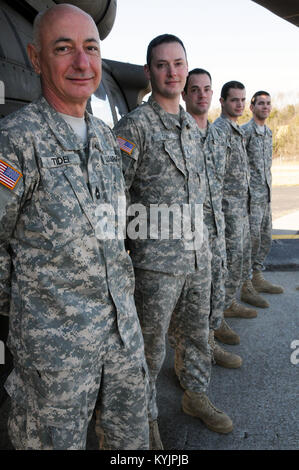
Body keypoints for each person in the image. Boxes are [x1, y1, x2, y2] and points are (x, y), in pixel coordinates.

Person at [0, 4, 149, 450]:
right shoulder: (16, 141)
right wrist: (33, 305)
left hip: (122, 339)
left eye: (91, 48)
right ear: (35, 57)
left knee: (131, 446)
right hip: (55, 358)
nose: (82, 63)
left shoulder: (106, 139)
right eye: (63, 49)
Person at [114, 34, 233, 445]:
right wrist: (131, 255)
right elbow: (115, 200)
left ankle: (195, 396)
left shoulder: (191, 126)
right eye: (162, 65)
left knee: (197, 337)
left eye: (179, 63)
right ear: (149, 72)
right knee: (149, 351)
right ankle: (144, 422)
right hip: (156, 267)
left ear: (186, 67)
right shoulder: (134, 127)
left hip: (197, 259)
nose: (172, 72)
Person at [182, 69, 242, 366]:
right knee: (192, 303)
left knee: (214, 292)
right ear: (185, 94)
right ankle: (192, 356)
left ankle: (208, 341)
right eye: (195, 89)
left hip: (216, 231)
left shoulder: (218, 136)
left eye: (207, 89)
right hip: (189, 238)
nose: (202, 95)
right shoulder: (179, 133)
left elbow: (223, 184)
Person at [213, 81, 264, 319]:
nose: (240, 104)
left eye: (243, 100)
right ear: (222, 102)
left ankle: (231, 302)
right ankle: (219, 314)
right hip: (227, 211)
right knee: (229, 263)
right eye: (235, 100)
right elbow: (216, 176)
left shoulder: (237, 131)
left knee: (241, 259)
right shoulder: (220, 131)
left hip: (241, 208)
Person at [241, 91, 283, 295]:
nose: (265, 107)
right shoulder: (245, 132)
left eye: (268, 103)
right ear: (252, 107)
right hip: (250, 200)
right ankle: (245, 282)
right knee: (251, 241)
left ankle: (257, 277)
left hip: (265, 197)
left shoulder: (268, 133)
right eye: (261, 103)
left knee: (265, 239)